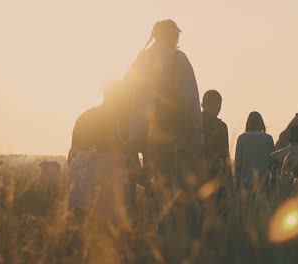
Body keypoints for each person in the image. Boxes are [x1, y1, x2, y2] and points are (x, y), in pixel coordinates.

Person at [124, 20, 203, 238]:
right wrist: (197, 137)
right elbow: (191, 101)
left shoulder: (140, 60)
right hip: (175, 136)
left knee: (156, 187)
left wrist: (133, 135)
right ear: (173, 36)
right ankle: (171, 239)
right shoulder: (179, 60)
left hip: (146, 137)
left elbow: (130, 97)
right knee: (175, 188)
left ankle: (160, 234)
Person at [67, 80, 136, 225]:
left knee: (82, 233)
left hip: (81, 192)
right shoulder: (123, 125)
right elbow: (130, 164)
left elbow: (71, 158)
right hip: (111, 193)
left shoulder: (84, 117)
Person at [200, 90, 233, 214]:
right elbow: (225, 157)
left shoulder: (194, 123)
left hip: (193, 178)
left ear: (203, 104)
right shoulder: (221, 127)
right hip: (214, 179)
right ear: (218, 106)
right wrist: (230, 186)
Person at [235, 112, 276, 190]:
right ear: (261, 123)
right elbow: (273, 163)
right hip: (264, 184)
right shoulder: (268, 138)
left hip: (246, 185)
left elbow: (238, 163)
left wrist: (237, 184)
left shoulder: (241, 138)